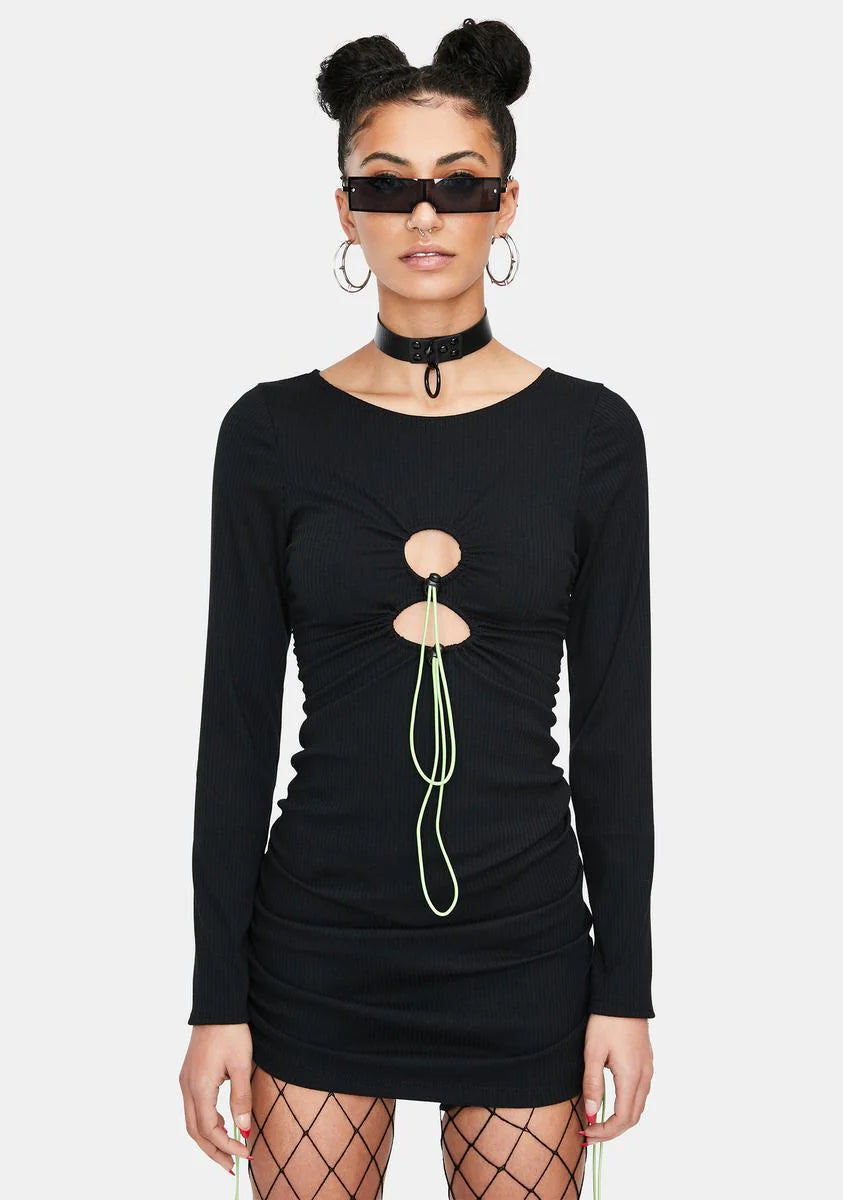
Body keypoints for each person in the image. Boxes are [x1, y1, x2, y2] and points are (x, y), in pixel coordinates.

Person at [179, 17, 655, 1200]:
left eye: (462, 184)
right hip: (316, 942)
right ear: (346, 210)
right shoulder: (270, 434)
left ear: (507, 205)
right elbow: (234, 729)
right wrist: (213, 999)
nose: (426, 215)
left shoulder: (592, 437)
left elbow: (615, 734)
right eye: (389, 186)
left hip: (525, 944)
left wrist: (627, 988)